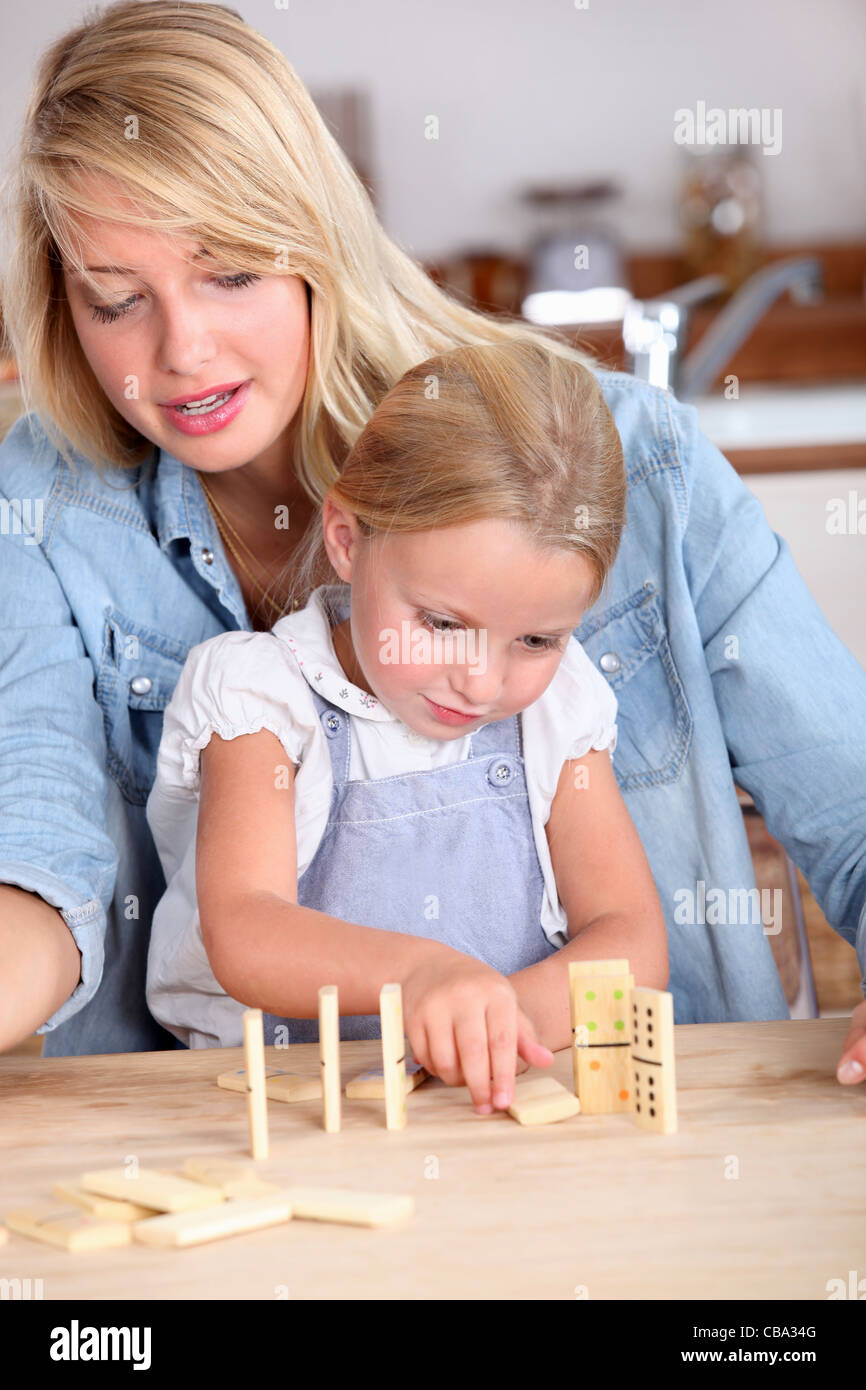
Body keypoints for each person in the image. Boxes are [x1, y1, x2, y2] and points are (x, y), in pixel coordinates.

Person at [0, 1, 863, 1087]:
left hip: (617, 1143)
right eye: (116, 300)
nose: (183, 350)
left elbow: (849, 801)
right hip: (228, 1147)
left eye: (230, 275)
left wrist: (482, 1019)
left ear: (316, 237)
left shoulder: (625, 460)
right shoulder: (45, 502)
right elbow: (34, 857)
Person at [144, 340, 671, 1116]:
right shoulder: (261, 699)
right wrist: (423, 977)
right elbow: (245, 930)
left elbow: (631, 940)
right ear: (348, 540)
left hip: (473, 1107)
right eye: (443, 623)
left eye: (537, 640)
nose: (483, 682)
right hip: (284, 1109)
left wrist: (494, 1026)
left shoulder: (558, 709)